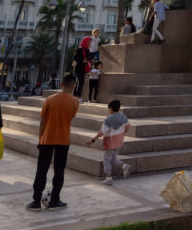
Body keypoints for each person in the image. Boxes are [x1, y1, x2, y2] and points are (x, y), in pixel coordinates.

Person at [27, 74, 80, 211]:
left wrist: (40, 138)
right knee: (59, 171)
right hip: (63, 140)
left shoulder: (49, 99)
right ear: (74, 85)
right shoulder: (75, 102)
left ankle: (36, 202)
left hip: (47, 139)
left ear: (61, 84)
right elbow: (70, 118)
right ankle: (55, 200)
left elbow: (42, 120)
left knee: (41, 170)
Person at [87, 99, 132, 185]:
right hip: (118, 141)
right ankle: (124, 166)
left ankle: (108, 178)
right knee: (113, 158)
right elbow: (128, 126)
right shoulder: (122, 116)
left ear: (111, 108)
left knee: (106, 160)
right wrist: (122, 134)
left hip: (110, 142)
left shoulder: (108, 120)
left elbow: (101, 133)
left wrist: (92, 141)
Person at [72, 36, 92, 101]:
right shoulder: (80, 49)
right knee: (81, 82)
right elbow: (75, 59)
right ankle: (78, 97)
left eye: (90, 42)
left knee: (78, 83)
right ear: (85, 41)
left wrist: (88, 61)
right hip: (78, 68)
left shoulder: (87, 50)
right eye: (89, 41)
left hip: (83, 68)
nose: (89, 43)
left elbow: (88, 57)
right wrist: (82, 61)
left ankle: (74, 96)